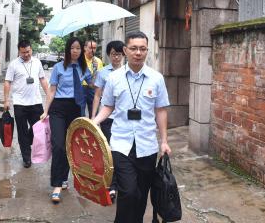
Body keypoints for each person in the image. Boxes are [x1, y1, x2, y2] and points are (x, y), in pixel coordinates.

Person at [93, 31, 171, 223]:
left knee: (142, 194)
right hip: (121, 143)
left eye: (142, 49)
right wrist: (95, 121)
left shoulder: (156, 78)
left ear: (147, 51)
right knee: (127, 191)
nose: (138, 52)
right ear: (126, 51)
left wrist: (164, 141)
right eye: (134, 48)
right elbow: (108, 105)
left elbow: (161, 110)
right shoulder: (114, 78)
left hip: (147, 146)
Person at [40, 37, 92, 203]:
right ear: (68, 50)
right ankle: (56, 185)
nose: (75, 51)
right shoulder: (58, 67)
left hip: (76, 108)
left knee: (71, 146)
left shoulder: (85, 68)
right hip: (59, 108)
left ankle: (64, 178)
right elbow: (52, 90)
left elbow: (94, 87)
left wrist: (99, 75)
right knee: (58, 145)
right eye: (72, 48)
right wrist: (45, 111)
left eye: (78, 48)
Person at [3, 40, 49, 168]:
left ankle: (26, 142)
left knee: (38, 130)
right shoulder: (14, 64)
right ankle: (27, 158)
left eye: (28, 51)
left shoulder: (37, 62)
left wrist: (50, 96)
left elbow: (43, 79)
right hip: (20, 104)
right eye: (23, 52)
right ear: (19, 52)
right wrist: (6, 100)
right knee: (22, 131)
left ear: (31, 50)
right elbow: (7, 82)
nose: (26, 54)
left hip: (36, 102)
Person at [91, 40, 125, 202]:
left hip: (124, 118)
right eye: (113, 54)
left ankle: (119, 183)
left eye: (119, 54)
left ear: (123, 54)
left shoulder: (128, 72)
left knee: (122, 152)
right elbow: (97, 95)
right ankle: (112, 185)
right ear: (109, 55)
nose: (116, 57)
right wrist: (93, 118)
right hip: (107, 118)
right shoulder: (104, 72)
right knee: (110, 152)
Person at [82, 39, 103, 117]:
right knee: (80, 112)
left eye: (94, 48)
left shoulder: (98, 61)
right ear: (85, 48)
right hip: (81, 88)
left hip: (93, 89)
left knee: (94, 112)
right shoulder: (80, 60)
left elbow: (100, 77)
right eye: (90, 48)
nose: (92, 50)